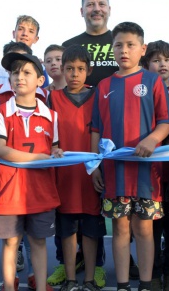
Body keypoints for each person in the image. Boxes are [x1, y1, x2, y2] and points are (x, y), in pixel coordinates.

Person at [91, 22, 169, 291]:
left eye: (130, 45)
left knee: (144, 230)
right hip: (115, 173)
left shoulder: (153, 81)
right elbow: (95, 129)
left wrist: (151, 139)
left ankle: (147, 284)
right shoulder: (103, 85)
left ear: (142, 49)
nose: (124, 50)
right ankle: (124, 284)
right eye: (118, 45)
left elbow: (166, 121)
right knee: (120, 230)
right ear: (112, 49)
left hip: (147, 174)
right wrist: (94, 167)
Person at [0, 52, 62, 291]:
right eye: (15, 73)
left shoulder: (51, 116)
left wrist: (56, 154)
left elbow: (55, 148)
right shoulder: (1, 112)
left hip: (40, 191)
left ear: (40, 80)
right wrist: (37, 157)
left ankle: (40, 286)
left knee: (38, 242)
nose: (19, 77)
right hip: (9, 190)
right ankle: (8, 286)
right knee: (11, 243)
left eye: (26, 72)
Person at [47, 45, 106, 291]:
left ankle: (90, 279)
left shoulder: (97, 96)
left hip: (90, 174)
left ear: (89, 71)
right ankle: (71, 279)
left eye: (80, 69)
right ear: (62, 70)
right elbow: (51, 136)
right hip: (64, 175)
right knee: (67, 229)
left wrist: (95, 168)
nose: (74, 74)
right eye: (69, 69)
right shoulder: (53, 97)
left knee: (91, 229)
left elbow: (98, 132)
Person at [141, 40, 169, 290]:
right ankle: (153, 271)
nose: (162, 64)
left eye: (167, 60)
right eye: (156, 60)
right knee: (152, 227)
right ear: (147, 65)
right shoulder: (142, 93)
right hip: (151, 173)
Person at [0, 15, 48, 112]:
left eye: (31, 31)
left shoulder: (39, 65)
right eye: (21, 29)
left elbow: (44, 92)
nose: (25, 34)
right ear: (14, 33)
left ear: (36, 39)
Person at [63, 0, 117, 86]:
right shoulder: (67, 46)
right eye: (90, 4)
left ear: (109, 10)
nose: (97, 9)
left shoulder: (123, 44)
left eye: (101, 4)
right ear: (82, 11)